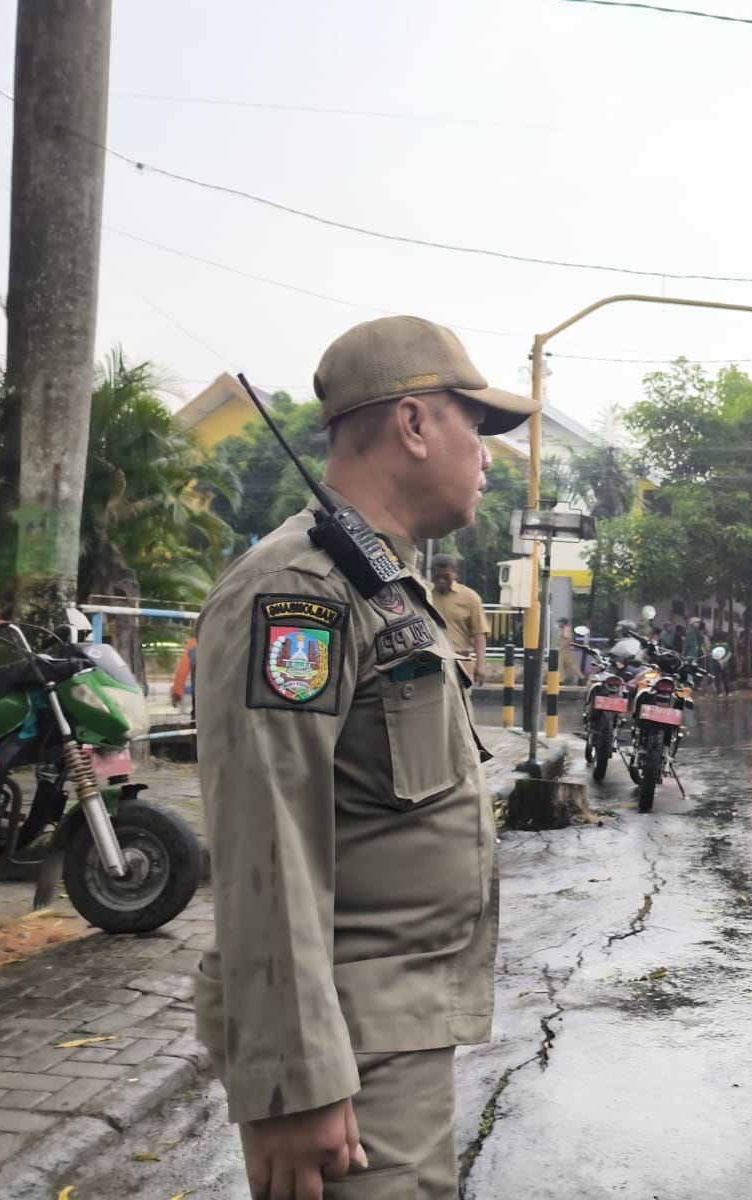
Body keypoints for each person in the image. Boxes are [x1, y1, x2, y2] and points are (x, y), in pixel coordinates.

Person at [192, 315, 537, 1200]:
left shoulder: (385, 587)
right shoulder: (299, 591)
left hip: (395, 1028)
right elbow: (266, 837)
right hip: (347, 1052)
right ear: (415, 424)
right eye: (477, 426)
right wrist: (293, 1080)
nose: (489, 454)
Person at [429, 553, 490, 687]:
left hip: (460, 663)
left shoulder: (470, 598)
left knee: (459, 706)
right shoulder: (423, 594)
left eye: (446, 577)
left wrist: (481, 664)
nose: (441, 580)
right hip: (430, 663)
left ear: (455, 573)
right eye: (437, 576)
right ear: (431, 573)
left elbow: (479, 632)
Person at [169, 635, 199, 721]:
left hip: (199, 695)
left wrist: (176, 694)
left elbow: (183, 670)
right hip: (226, 695)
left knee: (198, 722)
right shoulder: (227, 639)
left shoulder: (194, 644)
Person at [557, 617, 583, 685]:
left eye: (560, 622)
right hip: (564, 650)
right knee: (562, 665)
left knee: (571, 665)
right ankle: (560, 680)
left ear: (563, 623)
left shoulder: (566, 629)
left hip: (567, 650)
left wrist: (561, 647)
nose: (559, 624)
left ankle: (581, 677)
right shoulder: (564, 629)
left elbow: (567, 639)